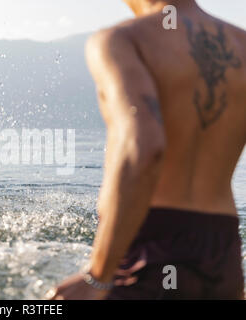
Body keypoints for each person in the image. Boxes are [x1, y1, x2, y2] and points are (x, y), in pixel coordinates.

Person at [50, 0, 245, 299]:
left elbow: (144, 148)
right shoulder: (240, 43)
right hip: (225, 250)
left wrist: (98, 276)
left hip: (154, 245)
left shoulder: (122, 41)